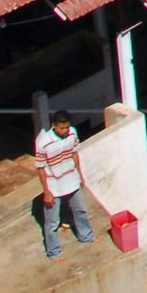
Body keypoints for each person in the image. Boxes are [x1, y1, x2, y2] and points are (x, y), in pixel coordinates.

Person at [34, 111, 93, 259]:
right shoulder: (43, 143)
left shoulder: (72, 133)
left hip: (71, 179)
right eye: (61, 128)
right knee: (52, 222)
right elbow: (40, 168)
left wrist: (79, 175)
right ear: (54, 126)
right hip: (54, 185)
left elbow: (74, 154)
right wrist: (47, 191)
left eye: (67, 127)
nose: (65, 131)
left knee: (80, 210)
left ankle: (86, 236)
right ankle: (53, 251)